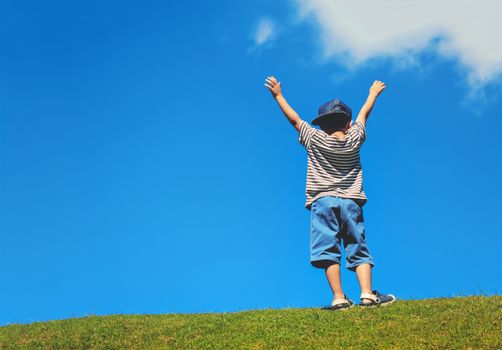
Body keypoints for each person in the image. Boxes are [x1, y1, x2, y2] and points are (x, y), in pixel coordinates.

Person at [264, 76, 396, 310]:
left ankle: (339, 298)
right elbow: (364, 115)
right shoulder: (355, 139)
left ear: (322, 125)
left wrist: (278, 96)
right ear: (348, 123)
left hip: (322, 201)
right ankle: (367, 294)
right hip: (351, 202)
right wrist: (373, 94)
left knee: (328, 249)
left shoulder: (314, 139)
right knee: (358, 245)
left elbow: (295, 120)